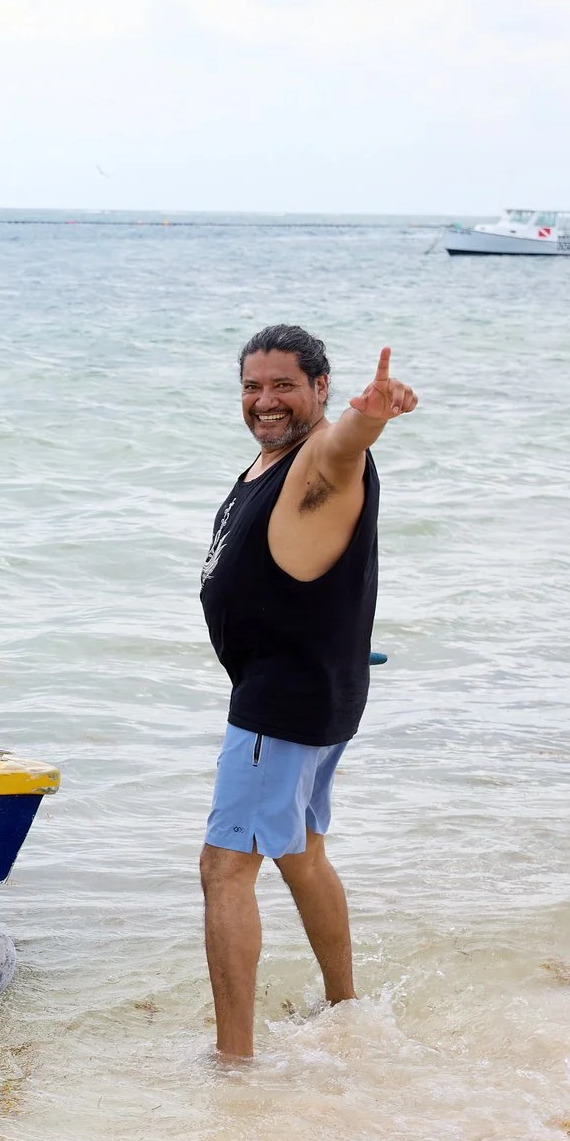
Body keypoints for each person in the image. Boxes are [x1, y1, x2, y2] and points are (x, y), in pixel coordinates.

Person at [197, 326, 417, 1058]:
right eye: (253, 386)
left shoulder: (321, 457)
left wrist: (370, 417)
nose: (266, 400)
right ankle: (344, 1006)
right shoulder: (272, 459)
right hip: (318, 693)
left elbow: (344, 445)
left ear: (321, 388)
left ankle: (232, 1060)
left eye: (285, 384)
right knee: (302, 852)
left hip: (280, 706)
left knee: (226, 867)